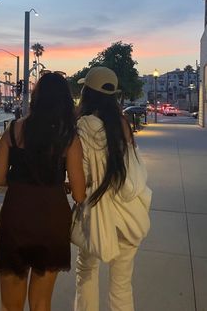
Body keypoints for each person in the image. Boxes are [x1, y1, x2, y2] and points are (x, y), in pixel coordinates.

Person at [0, 72, 86, 311]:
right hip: (52, 221)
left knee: (10, 304)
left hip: (16, 218)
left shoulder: (14, 130)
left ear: (36, 98)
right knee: (41, 302)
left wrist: (23, 179)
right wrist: (57, 184)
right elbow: (79, 194)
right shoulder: (69, 138)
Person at [74, 67, 152, 311]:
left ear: (87, 92)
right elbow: (132, 169)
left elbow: (84, 176)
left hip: (96, 213)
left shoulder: (84, 126)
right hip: (129, 215)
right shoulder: (123, 124)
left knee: (86, 271)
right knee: (122, 285)